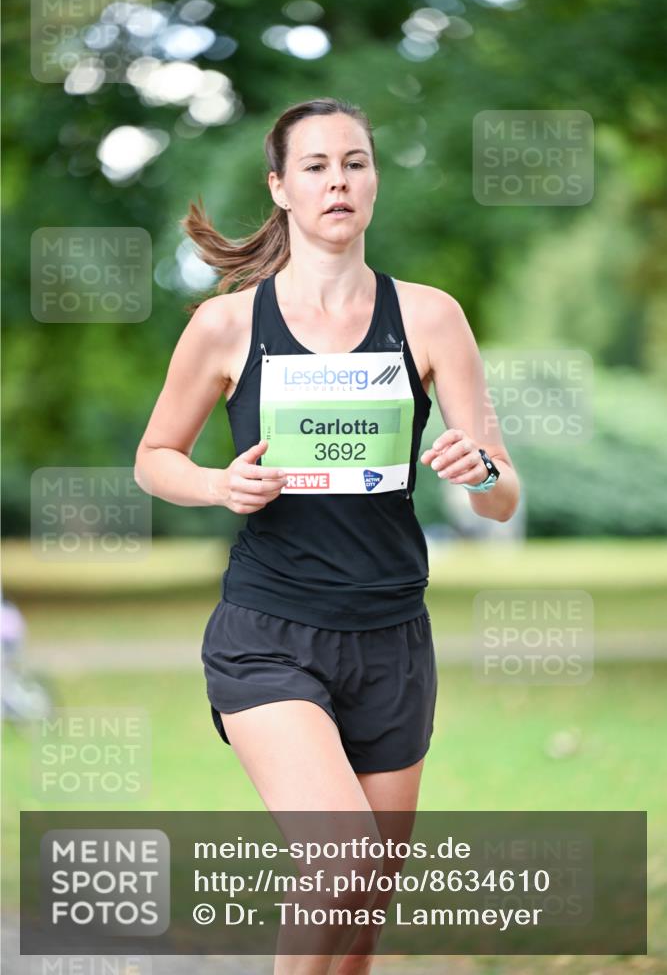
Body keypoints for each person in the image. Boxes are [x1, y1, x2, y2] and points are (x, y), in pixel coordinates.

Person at [134, 97, 520, 975]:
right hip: (268, 633)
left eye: (355, 162)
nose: (338, 180)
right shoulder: (227, 325)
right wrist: (214, 482)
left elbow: (500, 494)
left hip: (392, 638)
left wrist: (478, 472)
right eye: (315, 166)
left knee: (359, 913)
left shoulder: (429, 317)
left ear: (374, 181)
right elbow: (155, 457)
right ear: (281, 188)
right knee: (340, 857)